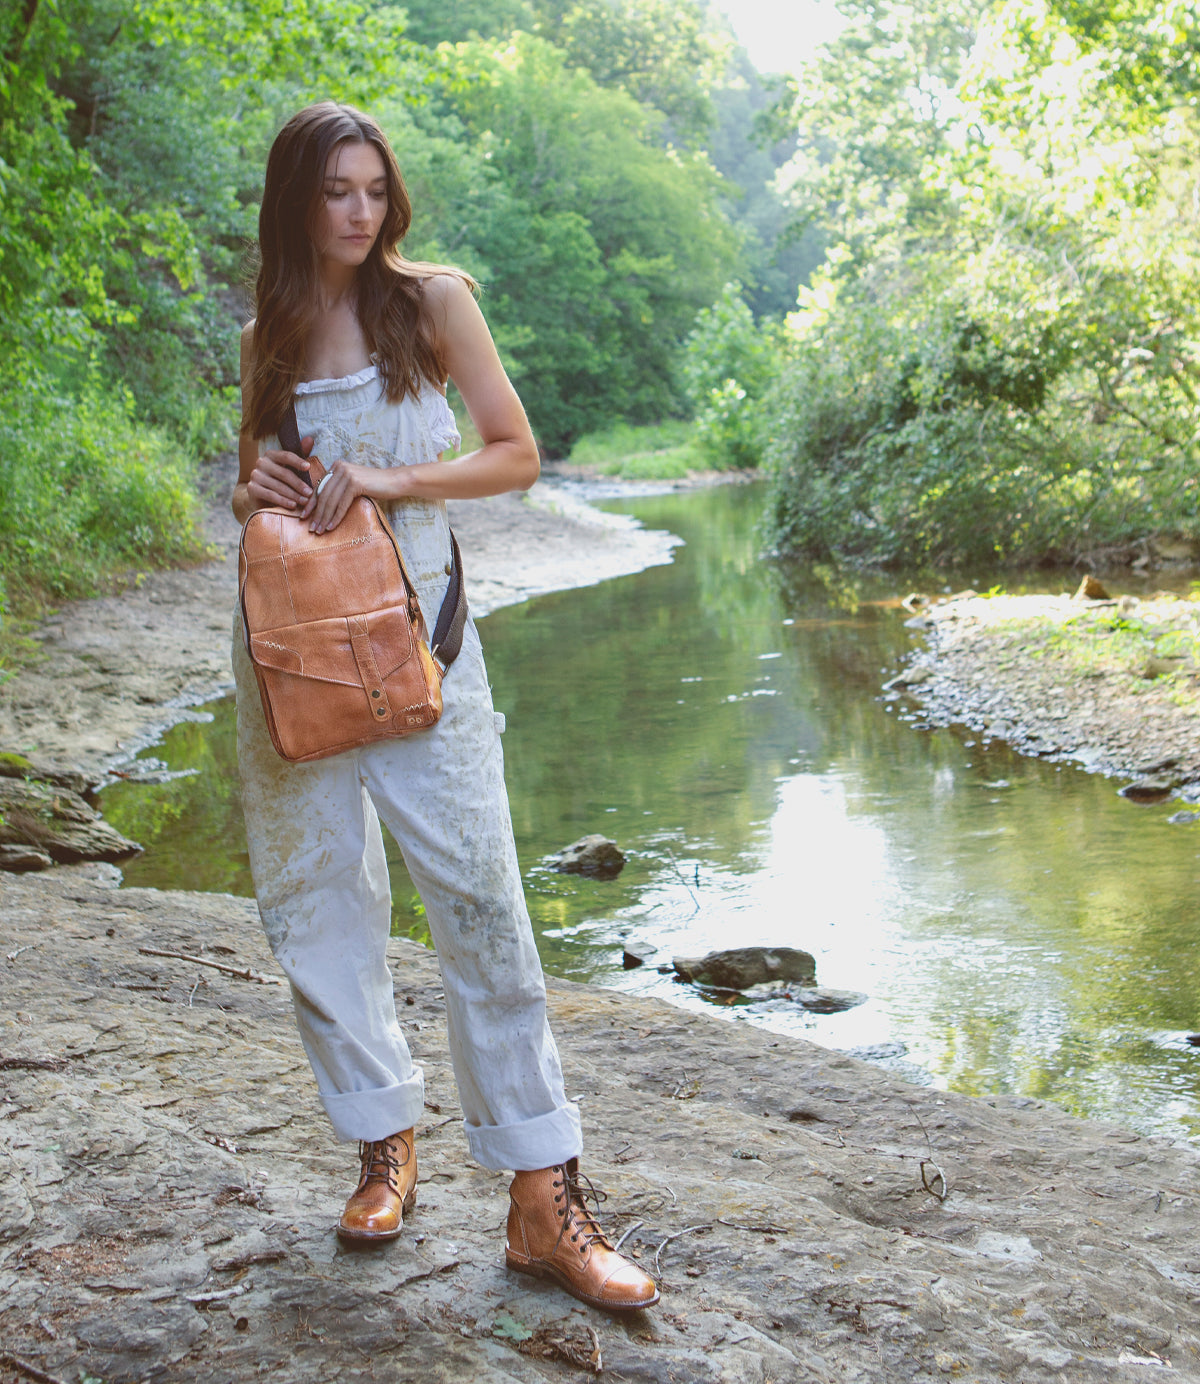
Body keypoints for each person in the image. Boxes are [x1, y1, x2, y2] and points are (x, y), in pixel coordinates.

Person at [231, 102, 658, 1314]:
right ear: (296, 200)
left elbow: (517, 453)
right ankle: (384, 1140)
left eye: (375, 189)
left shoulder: (435, 301)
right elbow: (262, 482)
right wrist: (252, 480)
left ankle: (542, 1200)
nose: (360, 212)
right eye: (336, 192)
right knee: (315, 897)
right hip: (291, 650)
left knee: (481, 901)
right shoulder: (269, 322)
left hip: (424, 645)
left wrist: (387, 475)